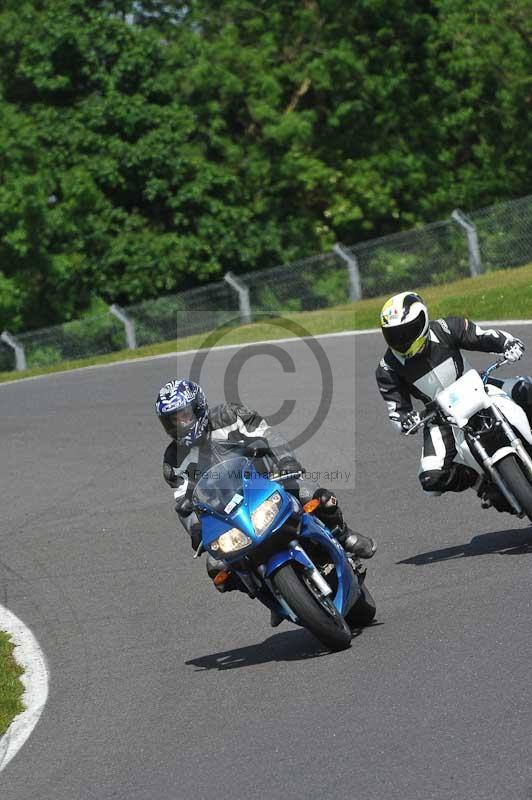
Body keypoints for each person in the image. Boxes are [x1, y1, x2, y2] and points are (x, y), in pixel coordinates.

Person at [155, 379, 376, 619]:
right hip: (229, 515)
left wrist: (286, 461)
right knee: (217, 569)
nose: (180, 424)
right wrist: (196, 530)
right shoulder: (173, 461)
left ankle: (344, 535)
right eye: (172, 420)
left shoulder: (231, 415)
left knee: (318, 497)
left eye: (184, 415)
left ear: (198, 407)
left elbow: (269, 435)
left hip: (271, 484)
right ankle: (269, 591)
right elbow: (183, 504)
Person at [376, 291, 532, 509]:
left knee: (526, 388)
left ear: (422, 321)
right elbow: (396, 410)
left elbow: (483, 336)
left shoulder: (446, 328)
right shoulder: (387, 368)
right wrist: (405, 421)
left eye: (407, 331)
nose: (401, 339)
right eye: (394, 334)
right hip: (440, 417)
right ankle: (482, 485)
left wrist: (508, 343)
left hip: (479, 387)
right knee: (431, 478)